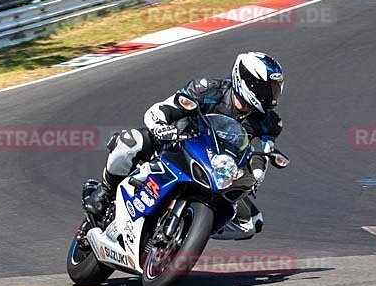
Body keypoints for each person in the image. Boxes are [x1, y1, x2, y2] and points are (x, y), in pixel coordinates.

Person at [83, 52, 284, 235]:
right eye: (267, 89)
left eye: (274, 90)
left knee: (252, 223)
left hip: (217, 172)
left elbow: (265, 153)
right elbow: (162, 109)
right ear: (247, 81)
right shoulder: (208, 89)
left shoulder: (269, 122)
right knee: (130, 142)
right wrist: (161, 127)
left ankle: (192, 230)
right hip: (176, 146)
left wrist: (256, 174)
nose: (271, 97)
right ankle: (105, 190)